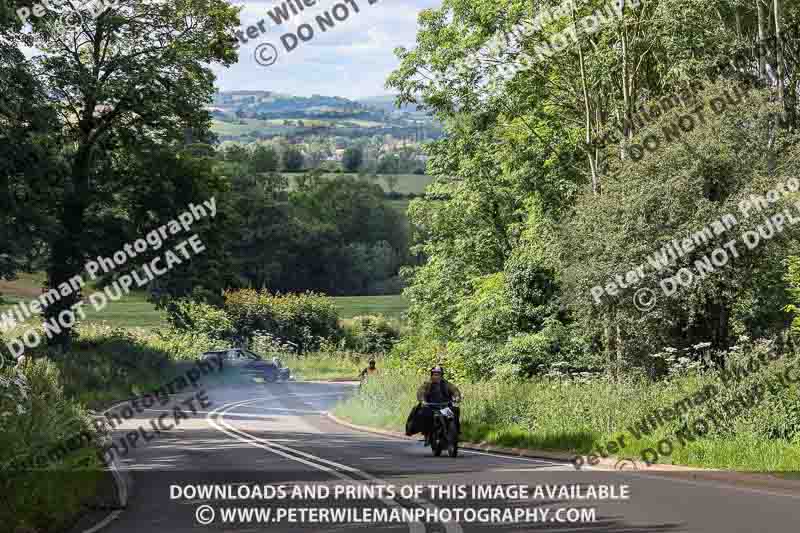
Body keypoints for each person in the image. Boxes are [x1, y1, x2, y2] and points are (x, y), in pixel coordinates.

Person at [413, 366, 461, 446]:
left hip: (445, 407)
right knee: (425, 415)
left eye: (438, 374)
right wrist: (422, 400)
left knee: (454, 413)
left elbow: (455, 390)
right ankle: (427, 435)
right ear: (431, 375)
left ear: (442, 375)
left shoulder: (447, 384)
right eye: (434, 374)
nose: (436, 376)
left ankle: (455, 433)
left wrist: (457, 397)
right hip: (431, 408)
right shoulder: (427, 385)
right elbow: (421, 392)